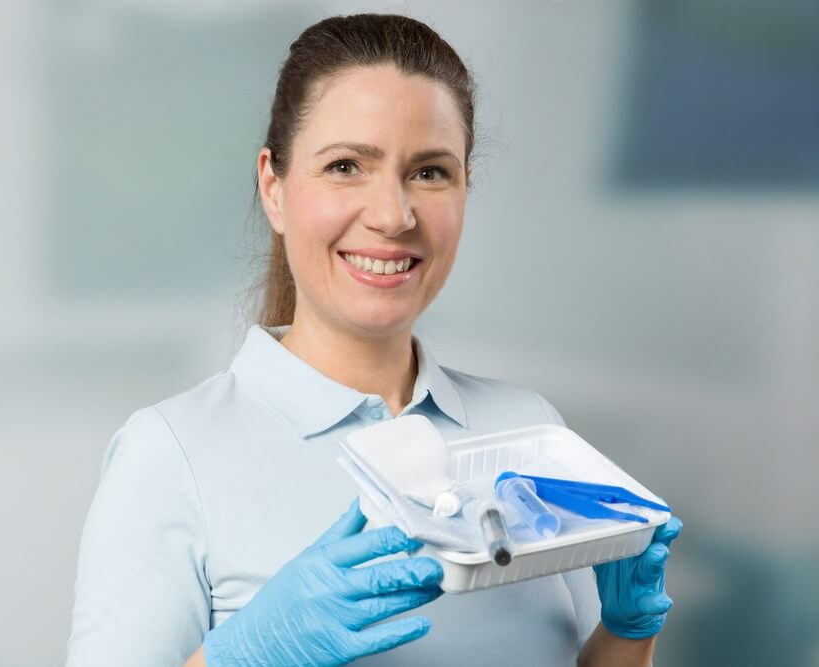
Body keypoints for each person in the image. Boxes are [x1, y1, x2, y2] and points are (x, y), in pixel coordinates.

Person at [65, 13, 682, 667]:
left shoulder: (529, 429)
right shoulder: (170, 456)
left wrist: (629, 626)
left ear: (465, 187)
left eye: (429, 172)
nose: (392, 214)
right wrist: (241, 656)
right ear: (274, 187)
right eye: (346, 165)